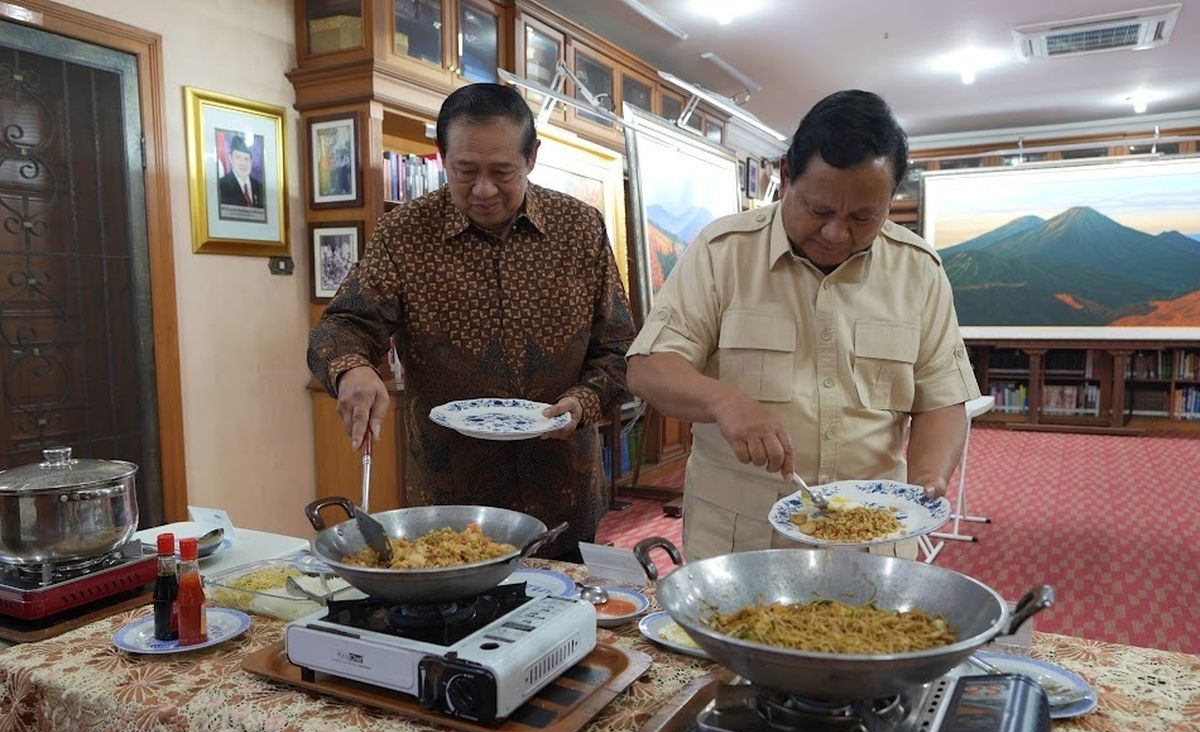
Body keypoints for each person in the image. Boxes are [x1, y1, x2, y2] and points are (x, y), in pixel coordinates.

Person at [626, 89, 980, 562]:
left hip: (872, 535)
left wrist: (928, 477)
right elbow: (649, 368)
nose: (837, 233)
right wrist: (723, 401)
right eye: (819, 210)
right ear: (785, 176)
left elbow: (941, 398)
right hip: (742, 538)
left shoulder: (919, 271)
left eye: (862, 217)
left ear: (890, 200)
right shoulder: (723, 251)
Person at [307, 83, 635, 563]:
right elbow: (341, 326)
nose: (483, 190)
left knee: (563, 617)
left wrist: (583, 402)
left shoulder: (579, 229)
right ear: (442, 158)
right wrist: (351, 368)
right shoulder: (406, 233)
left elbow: (620, 346)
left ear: (532, 158)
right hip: (452, 497)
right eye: (465, 171)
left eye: (502, 172)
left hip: (563, 488)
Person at [218, 135, 264, 208]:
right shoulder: (221, 186)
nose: (243, 163)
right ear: (230, 158)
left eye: (246, 158)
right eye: (238, 157)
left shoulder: (260, 188)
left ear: (251, 161)